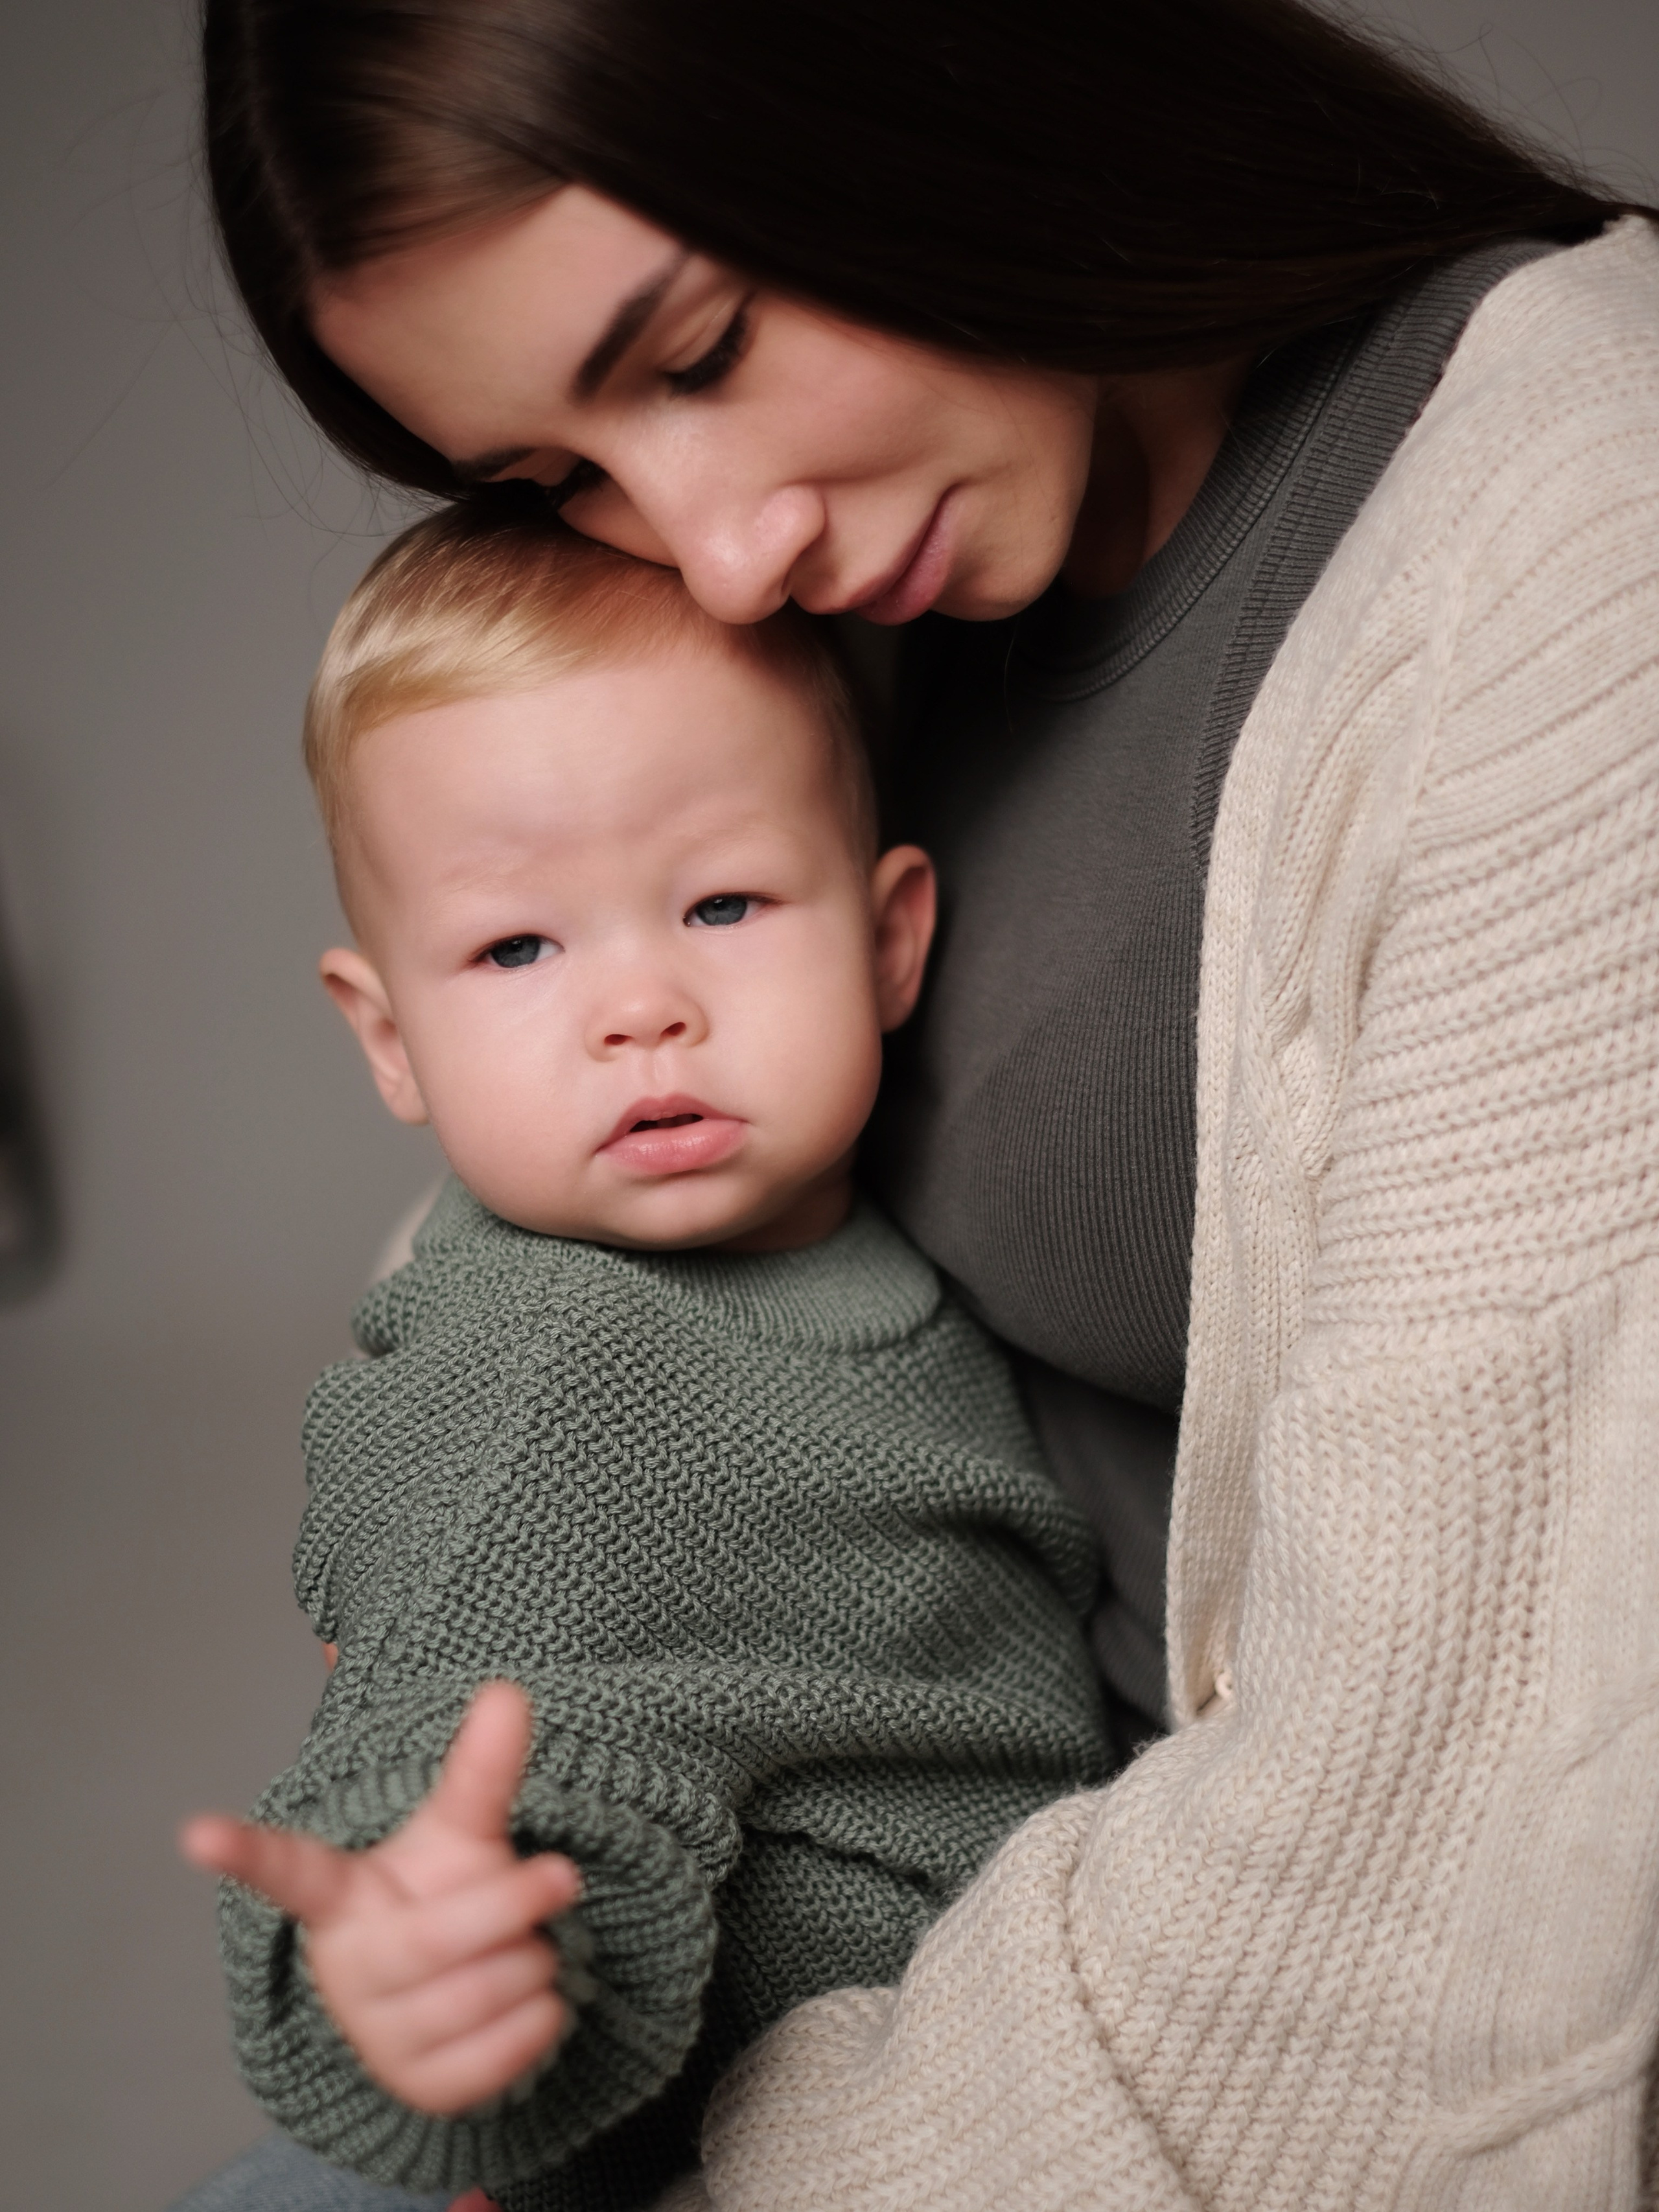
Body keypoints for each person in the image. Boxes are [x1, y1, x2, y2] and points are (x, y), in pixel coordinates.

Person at [180, 0, 1659, 2205]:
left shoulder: (1578, 537)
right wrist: (464, 1463)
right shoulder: (902, 573)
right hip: (761, 1979)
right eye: (561, 479)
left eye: (693, 355)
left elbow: (1429, 1867)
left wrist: (696, 2170)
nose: (716, 552)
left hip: (1095, 2085)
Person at [181, 504, 1110, 2211]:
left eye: (726, 901)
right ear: (391, 1039)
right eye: (519, 946)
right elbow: (442, 1740)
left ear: (893, 941)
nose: (640, 1006)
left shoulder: (857, 1248)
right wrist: (424, 1964)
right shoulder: (550, 1374)